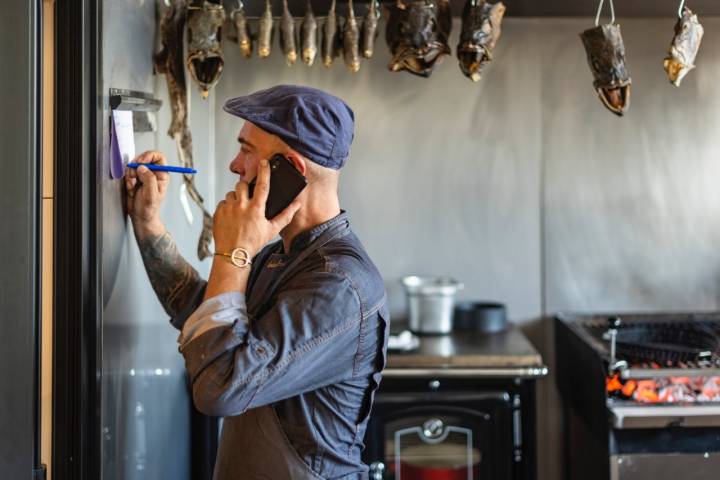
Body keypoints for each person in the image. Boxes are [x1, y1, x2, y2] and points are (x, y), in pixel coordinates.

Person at [123, 85, 389, 479]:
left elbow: (221, 388)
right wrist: (148, 223)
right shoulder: (282, 254)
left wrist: (233, 252)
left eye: (247, 150)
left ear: (290, 171)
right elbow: (208, 315)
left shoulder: (339, 285)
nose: (234, 165)